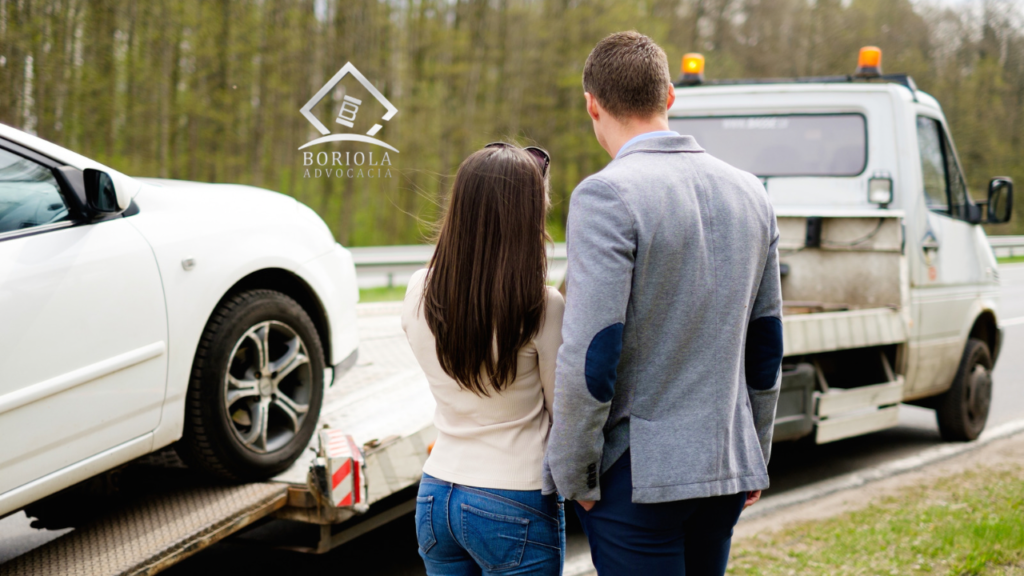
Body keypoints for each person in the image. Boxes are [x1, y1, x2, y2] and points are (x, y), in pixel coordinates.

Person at [544, 31, 783, 575]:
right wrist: (752, 454)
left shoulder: (606, 194)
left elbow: (593, 351)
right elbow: (766, 343)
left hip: (637, 479)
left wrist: (575, 471)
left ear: (592, 104)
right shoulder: (752, 193)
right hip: (724, 462)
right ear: (669, 95)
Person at [403, 142, 566, 575]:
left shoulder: (419, 289)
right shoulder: (541, 306)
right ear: (526, 218)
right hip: (514, 495)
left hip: (437, 493)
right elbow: (562, 411)